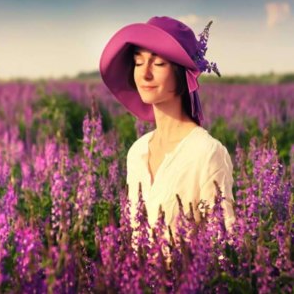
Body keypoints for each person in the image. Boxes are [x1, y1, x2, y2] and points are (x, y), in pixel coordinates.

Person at [99, 16, 236, 248]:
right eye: (139, 62)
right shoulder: (137, 152)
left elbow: (223, 248)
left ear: (182, 73)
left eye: (159, 64)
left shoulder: (207, 153)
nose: (145, 74)